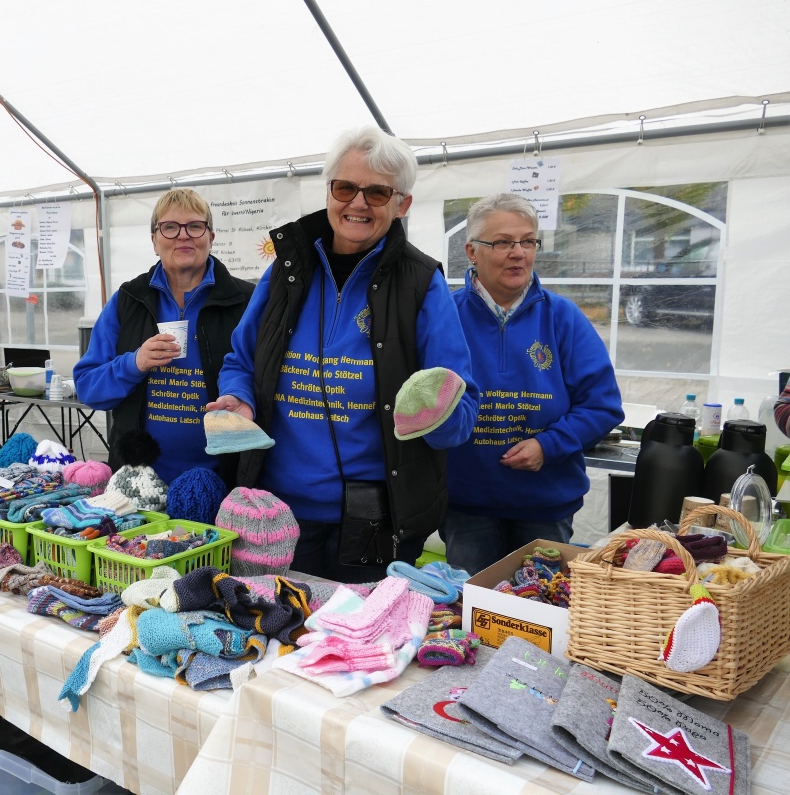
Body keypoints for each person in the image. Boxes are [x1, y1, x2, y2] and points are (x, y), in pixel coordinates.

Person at [206, 126, 479, 583]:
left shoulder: (421, 283)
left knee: (355, 646)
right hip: (274, 514)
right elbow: (240, 360)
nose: (358, 203)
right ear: (329, 190)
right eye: (346, 187)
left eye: (377, 192)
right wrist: (240, 398)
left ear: (402, 204)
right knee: (277, 635)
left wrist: (437, 414)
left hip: (374, 519)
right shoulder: (284, 273)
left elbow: (462, 407)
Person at [441, 193, 624, 574]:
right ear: (471, 251)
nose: (518, 253)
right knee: (474, 615)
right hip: (466, 505)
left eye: (527, 241)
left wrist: (548, 445)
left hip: (545, 505)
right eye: (504, 242)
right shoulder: (444, 316)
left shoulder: (563, 318)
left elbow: (603, 405)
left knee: (543, 614)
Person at [74, 188, 254, 483]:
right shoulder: (128, 300)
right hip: (136, 482)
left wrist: (240, 395)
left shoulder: (245, 301)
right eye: (169, 227)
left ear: (211, 236)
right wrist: (134, 363)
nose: (183, 236)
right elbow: (88, 388)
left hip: (225, 479)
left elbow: (268, 378)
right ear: (155, 241)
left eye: (195, 226)